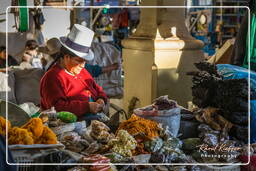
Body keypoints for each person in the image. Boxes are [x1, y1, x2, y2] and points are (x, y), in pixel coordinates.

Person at [40, 24, 108, 122]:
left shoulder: (82, 72)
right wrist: (87, 107)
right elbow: (57, 108)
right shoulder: (52, 77)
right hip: (70, 127)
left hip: (93, 120)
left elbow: (98, 89)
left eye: (85, 61)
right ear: (66, 57)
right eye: (79, 61)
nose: (83, 65)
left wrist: (101, 99)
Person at [39, 37, 119, 76]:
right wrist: (113, 67)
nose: (82, 64)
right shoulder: (73, 65)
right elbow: (94, 70)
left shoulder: (49, 66)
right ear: (66, 57)